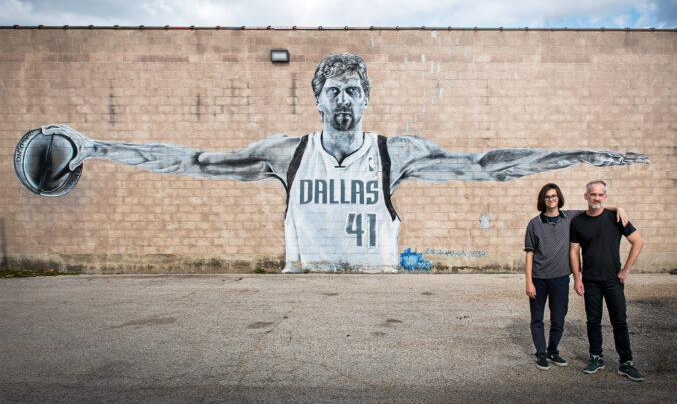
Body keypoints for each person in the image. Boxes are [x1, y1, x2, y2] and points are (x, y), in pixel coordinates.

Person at [35, 54, 649, 273]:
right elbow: (193, 161)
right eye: (334, 89)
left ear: (367, 98)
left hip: (373, 296)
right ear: (318, 97)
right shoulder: (288, 152)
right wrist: (98, 147)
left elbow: (486, 164)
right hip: (299, 294)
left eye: (355, 89)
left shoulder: (394, 153)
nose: (345, 98)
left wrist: (576, 155)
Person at [524, 183, 627, 371]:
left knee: (558, 318)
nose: (551, 199)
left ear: (559, 198)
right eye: (547, 197)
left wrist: (618, 208)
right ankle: (540, 355)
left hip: (561, 278)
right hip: (539, 278)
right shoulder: (534, 224)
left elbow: (595, 207)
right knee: (537, 318)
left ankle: (552, 351)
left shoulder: (570, 217)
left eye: (554, 196)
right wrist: (529, 281)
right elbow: (529, 253)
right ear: (542, 200)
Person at [569, 180, 645, 381]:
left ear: (605, 197)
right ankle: (596, 357)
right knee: (593, 321)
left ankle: (626, 363)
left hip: (613, 280)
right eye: (593, 194)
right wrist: (577, 278)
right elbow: (574, 251)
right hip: (591, 280)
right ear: (586, 196)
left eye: (600, 194)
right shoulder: (577, 222)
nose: (596, 198)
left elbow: (638, 241)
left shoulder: (616, 217)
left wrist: (626, 270)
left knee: (619, 321)